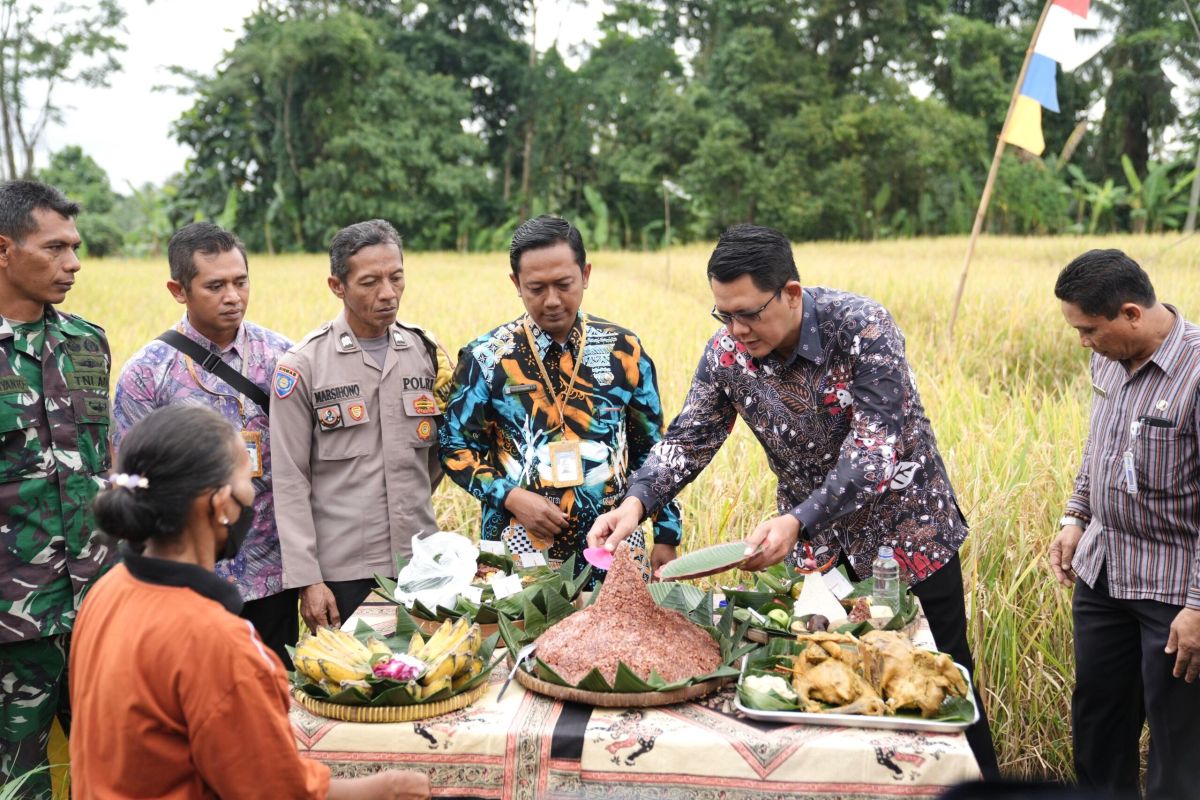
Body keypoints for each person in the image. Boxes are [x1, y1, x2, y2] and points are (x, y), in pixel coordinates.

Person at [588, 224, 999, 778]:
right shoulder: (728, 354)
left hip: (909, 540)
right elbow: (689, 439)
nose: (736, 329)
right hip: (818, 553)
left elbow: (873, 453)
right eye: (723, 315)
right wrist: (635, 504)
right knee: (826, 685)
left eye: (749, 313)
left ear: (791, 293)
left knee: (936, 687)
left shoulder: (862, 328)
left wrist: (795, 522)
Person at [69, 404, 430, 799]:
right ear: (220, 504)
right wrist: (387, 788)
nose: (252, 498)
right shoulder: (217, 643)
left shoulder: (107, 592)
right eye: (248, 483)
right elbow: (277, 791)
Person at [440, 215, 681, 580]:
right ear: (515, 283)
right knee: (521, 636)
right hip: (516, 547)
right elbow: (453, 445)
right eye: (536, 288)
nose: (552, 301)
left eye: (564, 284)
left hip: (612, 543)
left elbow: (652, 448)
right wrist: (510, 497)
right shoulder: (486, 357)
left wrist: (667, 532)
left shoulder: (622, 349)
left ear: (585, 275)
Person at [1049, 249, 1200, 800]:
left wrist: (1199, 606)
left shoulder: (1197, 372)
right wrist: (1076, 514)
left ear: (1131, 313)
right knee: (1098, 722)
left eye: (1089, 329)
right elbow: (1101, 446)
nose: (1083, 342)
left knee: (1179, 741)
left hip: (1175, 589)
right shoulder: (1108, 361)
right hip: (1104, 571)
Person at [112, 222, 298, 666]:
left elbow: (308, 466)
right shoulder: (146, 374)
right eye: (215, 285)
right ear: (179, 290)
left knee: (275, 700)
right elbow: (130, 483)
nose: (232, 296)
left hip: (273, 573)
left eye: (241, 281)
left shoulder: (284, 358)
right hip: (190, 582)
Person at [272, 219, 450, 632]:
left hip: (419, 563)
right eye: (370, 282)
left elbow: (437, 457)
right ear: (337, 286)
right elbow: (290, 479)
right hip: (343, 573)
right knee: (354, 688)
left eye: (396, 277)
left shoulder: (424, 353)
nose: (388, 293)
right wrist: (308, 580)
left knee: (429, 678)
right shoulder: (304, 366)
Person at [0, 180, 114, 797]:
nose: (73, 264)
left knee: (118, 772)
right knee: (20, 783)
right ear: (3, 250)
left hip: (98, 611)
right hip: (12, 628)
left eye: (75, 247)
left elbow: (103, 466)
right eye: (54, 248)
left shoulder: (86, 343)